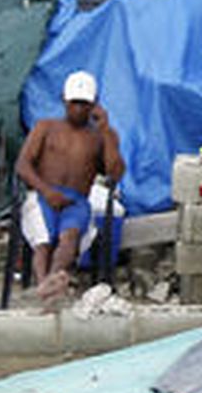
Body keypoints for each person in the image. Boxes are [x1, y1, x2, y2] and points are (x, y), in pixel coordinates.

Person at [15, 70, 125, 303]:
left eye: (84, 104)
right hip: (43, 194)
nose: (78, 109)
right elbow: (23, 165)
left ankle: (50, 285)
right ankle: (45, 286)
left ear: (94, 105)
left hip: (76, 201)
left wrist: (105, 131)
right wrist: (47, 191)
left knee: (70, 237)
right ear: (64, 101)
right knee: (42, 242)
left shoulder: (100, 137)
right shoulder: (46, 128)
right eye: (74, 103)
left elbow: (115, 172)